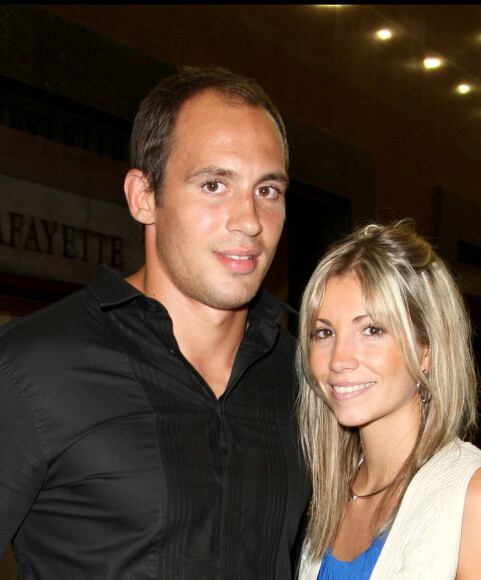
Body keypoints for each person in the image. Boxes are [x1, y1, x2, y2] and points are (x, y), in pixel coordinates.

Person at [0, 66, 310, 579]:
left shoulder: (300, 375)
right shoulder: (33, 367)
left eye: (268, 191)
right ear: (144, 196)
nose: (249, 221)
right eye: (214, 184)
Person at [296, 221, 481, 579]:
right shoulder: (327, 492)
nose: (338, 359)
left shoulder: (479, 499)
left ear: (427, 349)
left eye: (372, 330)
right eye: (325, 332)